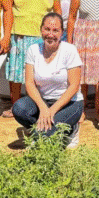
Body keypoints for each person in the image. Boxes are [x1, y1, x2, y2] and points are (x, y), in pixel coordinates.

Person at [5, 0, 62, 116]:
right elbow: (7, 8)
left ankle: (38, 107)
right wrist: (7, 35)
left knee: (39, 76)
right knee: (16, 74)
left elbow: (57, 11)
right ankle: (15, 107)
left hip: (42, 37)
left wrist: (56, 34)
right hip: (20, 34)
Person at [12, 12, 83, 148]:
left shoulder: (70, 50)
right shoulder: (33, 50)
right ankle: (43, 129)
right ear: (41, 30)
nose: (50, 34)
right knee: (19, 109)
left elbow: (74, 86)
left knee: (45, 139)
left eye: (55, 30)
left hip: (69, 103)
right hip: (44, 101)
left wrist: (52, 111)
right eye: (47, 29)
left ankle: (70, 129)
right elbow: (29, 83)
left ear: (62, 32)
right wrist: (43, 108)